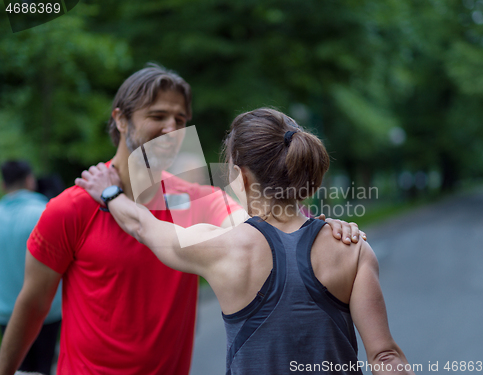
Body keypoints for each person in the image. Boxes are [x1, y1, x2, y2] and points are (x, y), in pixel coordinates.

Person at [0, 65, 363, 375]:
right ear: (121, 119)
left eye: (180, 119)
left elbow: (277, 222)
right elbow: (33, 305)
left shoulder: (200, 199)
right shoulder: (72, 208)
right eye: (157, 116)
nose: (172, 127)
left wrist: (325, 228)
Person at [76, 108, 415, 375]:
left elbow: (142, 226)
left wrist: (108, 192)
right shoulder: (351, 248)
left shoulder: (221, 248)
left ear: (242, 176)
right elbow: (385, 356)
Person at [0, 160, 62, 375]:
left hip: (7, 313)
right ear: (29, 180)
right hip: (48, 313)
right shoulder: (46, 212)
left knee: (15, 368)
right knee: (44, 368)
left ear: (4, 185)